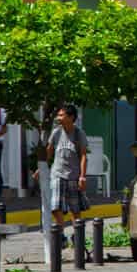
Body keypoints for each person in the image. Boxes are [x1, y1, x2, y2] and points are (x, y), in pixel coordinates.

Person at [35, 104, 88, 246]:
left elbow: (83, 156)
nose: (58, 118)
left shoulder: (79, 134)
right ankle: (61, 234)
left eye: (61, 115)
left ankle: (77, 236)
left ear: (71, 117)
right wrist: (41, 168)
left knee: (75, 209)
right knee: (55, 206)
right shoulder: (56, 132)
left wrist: (82, 176)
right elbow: (49, 151)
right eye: (58, 115)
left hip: (73, 175)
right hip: (57, 174)